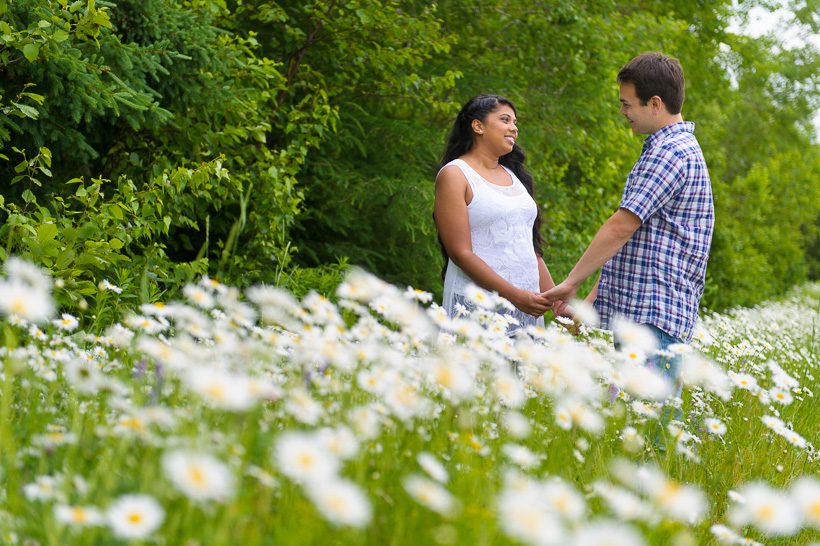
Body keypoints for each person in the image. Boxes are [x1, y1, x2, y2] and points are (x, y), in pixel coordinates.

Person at [543, 52, 714, 398]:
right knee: (630, 421)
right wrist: (592, 300)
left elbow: (622, 227)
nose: (622, 112)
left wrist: (570, 283)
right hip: (644, 315)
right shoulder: (668, 148)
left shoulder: (671, 153)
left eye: (626, 104)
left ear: (654, 103)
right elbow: (636, 245)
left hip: (654, 318)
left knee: (648, 428)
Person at [434, 94, 557, 333]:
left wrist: (558, 302)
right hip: (478, 305)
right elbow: (460, 253)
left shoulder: (515, 176)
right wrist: (515, 296)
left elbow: (529, 248)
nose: (514, 127)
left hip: (525, 308)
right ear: (478, 126)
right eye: (505, 120)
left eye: (515, 122)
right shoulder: (456, 174)